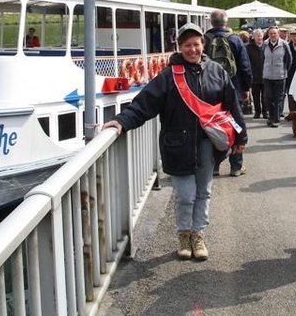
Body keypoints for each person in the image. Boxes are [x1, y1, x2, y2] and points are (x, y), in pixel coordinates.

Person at [102, 22, 247, 261]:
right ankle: (183, 234)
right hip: (177, 146)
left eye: (196, 44)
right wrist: (121, 122)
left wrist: (241, 137)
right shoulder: (169, 76)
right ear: (179, 47)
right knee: (185, 195)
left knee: (204, 192)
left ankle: (198, 234)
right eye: (187, 45)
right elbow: (144, 105)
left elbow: (232, 106)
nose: (192, 49)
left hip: (206, 145)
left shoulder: (217, 71)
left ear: (203, 45)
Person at [205, 10, 252, 177]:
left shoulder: (204, 40)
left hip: (210, 91)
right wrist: (246, 88)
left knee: (213, 126)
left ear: (211, 22)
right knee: (236, 124)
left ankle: (215, 165)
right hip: (234, 88)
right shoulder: (235, 40)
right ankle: (236, 166)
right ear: (226, 22)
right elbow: (245, 67)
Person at [263, 26, 291, 128]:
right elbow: (262, 58)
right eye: (271, 33)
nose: (273, 35)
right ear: (268, 34)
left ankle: (276, 119)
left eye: (275, 33)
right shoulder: (265, 44)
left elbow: (289, 59)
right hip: (267, 76)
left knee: (278, 98)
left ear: (278, 34)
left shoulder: (284, 44)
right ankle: (270, 116)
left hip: (280, 76)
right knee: (267, 97)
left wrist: (284, 70)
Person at [247, 28, 267, 119]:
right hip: (254, 75)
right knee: (255, 95)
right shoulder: (249, 47)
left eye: (260, 36)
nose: (259, 38)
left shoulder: (266, 46)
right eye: (257, 36)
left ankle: (265, 112)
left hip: (265, 74)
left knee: (265, 95)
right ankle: (257, 112)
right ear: (253, 37)